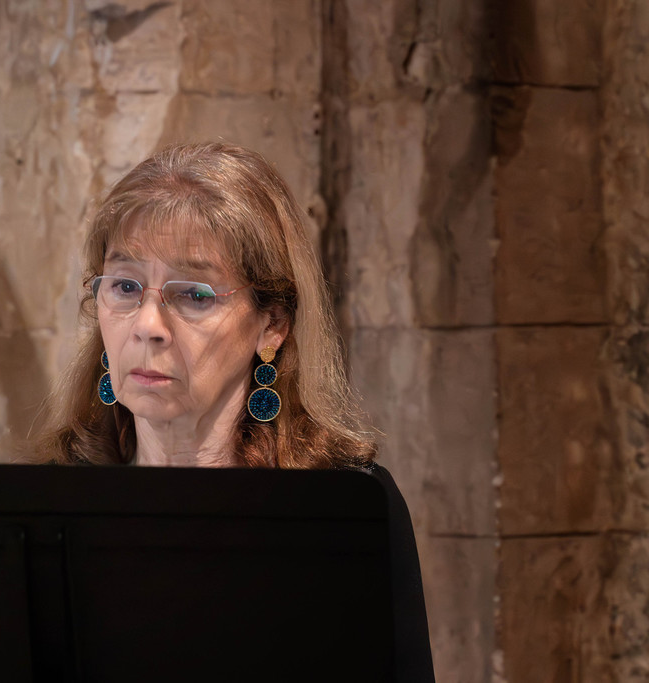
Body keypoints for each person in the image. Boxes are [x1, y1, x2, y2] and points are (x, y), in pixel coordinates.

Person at [36, 142, 434, 680]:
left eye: (194, 295)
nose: (147, 325)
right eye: (126, 286)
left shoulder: (343, 509)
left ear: (272, 326)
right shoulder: (45, 504)